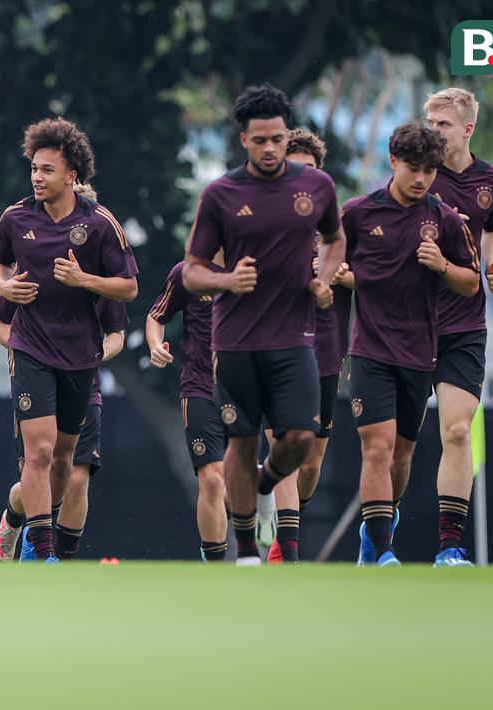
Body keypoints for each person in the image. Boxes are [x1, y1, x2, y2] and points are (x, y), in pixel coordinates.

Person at [182, 84, 345, 566]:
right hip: (235, 340)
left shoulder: (316, 187)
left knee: (299, 439)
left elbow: (335, 240)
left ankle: (266, 484)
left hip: (296, 338)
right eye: (260, 140)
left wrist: (324, 277)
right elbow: (192, 270)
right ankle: (249, 549)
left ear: (284, 134)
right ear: (244, 141)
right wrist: (227, 279)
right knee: (241, 439)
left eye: (277, 138)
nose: (270, 148)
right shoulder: (221, 194)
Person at [0, 118, 138, 562]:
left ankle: (15, 520)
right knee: (38, 452)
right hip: (31, 351)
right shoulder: (15, 218)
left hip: (80, 358)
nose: (37, 177)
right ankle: (43, 552)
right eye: (34, 168)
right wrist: (3, 286)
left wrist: (83, 278)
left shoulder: (99, 224)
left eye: (47, 170)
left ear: (72, 175)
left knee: (65, 461)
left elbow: (128, 287)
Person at [342, 121, 478, 566]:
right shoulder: (358, 213)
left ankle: (375, 528)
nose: (421, 179)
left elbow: (470, 283)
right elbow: (322, 256)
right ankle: (382, 552)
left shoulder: (443, 220)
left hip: (420, 353)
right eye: (414, 169)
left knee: (401, 458)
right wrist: (337, 276)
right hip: (370, 351)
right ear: (393, 162)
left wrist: (441, 265)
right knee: (376, 448)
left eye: (430, 171)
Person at [422, 88, 493, 566]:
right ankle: (379, 537)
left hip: (464, 324)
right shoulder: (415, 175)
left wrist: (492, 264)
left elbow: (492, 226)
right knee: (393, 444)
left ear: (467, 130)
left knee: (456, 431)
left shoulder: (492, 180)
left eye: (442, 125)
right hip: (407, 326)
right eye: (429, 122)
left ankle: (450, 547)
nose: (433, 131)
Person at [0, 293, 126, 561]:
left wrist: (93, 356)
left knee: (76, 475)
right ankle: (18, 523)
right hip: (38, 385)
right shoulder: (33, 265)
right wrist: (36, 356)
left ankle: (59, 561)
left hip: (84, 385)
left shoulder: (100, 275)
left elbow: (116, 335)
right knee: (40, 465)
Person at [265, 128, 347, 563]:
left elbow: (372, 279)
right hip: (276, 350)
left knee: (313, 460)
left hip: (327, 352)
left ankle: (284, 525)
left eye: (309, 169)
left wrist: (335, 274)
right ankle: (288, 552)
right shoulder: (263, 224)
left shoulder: (339, 227)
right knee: (286, 446)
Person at [147, 256, 228, 562]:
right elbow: (157, 316)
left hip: (246, 390)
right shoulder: (187, 272)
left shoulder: (256, 268)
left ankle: (261, 506)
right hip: (199, 388)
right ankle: (215, 563)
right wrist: (155, 345)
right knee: (211, 478)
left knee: (235, 481)